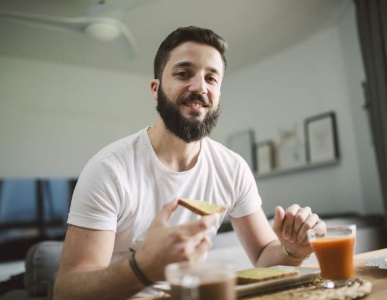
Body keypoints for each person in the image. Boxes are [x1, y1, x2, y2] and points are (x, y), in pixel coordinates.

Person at [54, 26, 326, 300]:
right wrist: (143, 268)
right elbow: (66, 292)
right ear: (155, 88)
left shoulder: (232, 168)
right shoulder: (109, 170)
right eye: (184, 73)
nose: (200, 87)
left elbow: (264, 255)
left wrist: (293, 250)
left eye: (211, 78)